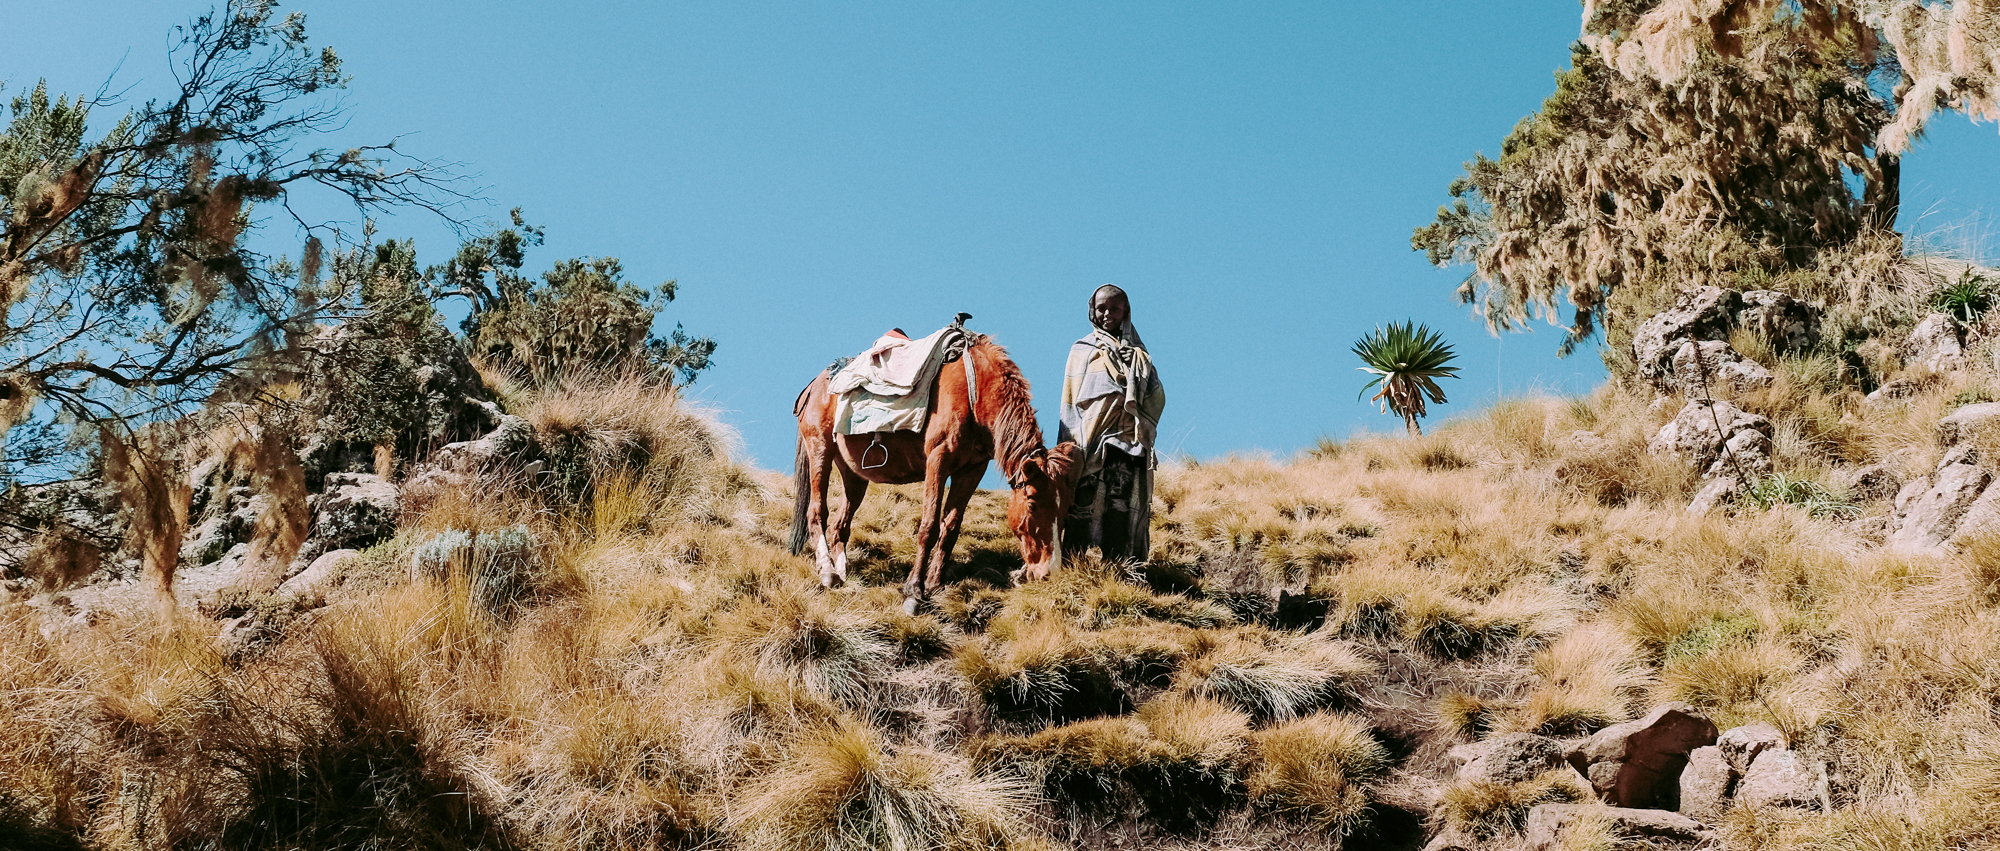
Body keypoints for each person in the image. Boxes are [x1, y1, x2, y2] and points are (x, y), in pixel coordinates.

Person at [1058, 284, 1166, 562]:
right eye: (1102, 307)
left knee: (1120, 503)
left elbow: (1155, 397)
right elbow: (1070, 402)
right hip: (1088, 440)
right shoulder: (1081, 349)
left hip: (1128, 439)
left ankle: (1120, 567)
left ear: (1125, 312)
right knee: (1082, 501)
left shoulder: (1140, 354)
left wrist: (1139, 369)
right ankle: (1072, 564)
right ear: (1092, 310)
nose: (1108, 313)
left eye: (1115, 308)